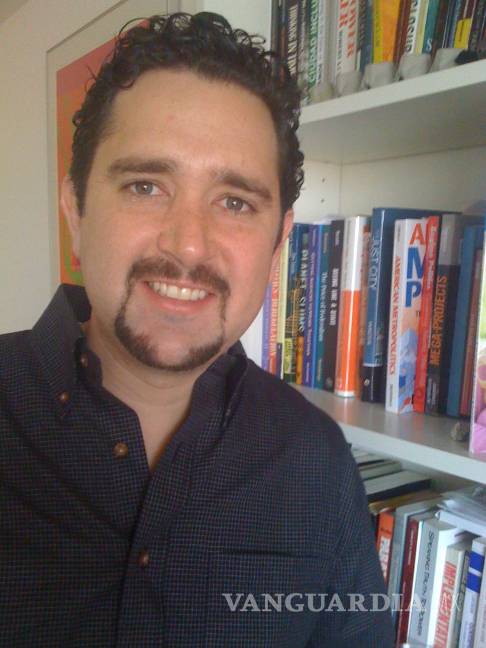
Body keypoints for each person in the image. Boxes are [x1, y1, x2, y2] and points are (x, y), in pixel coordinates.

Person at [0, 11, 394, 647]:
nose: (188, 244)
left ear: (277, 243)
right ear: (76, 210)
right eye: (146, 186)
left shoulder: (317, 463)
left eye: (235, 202)